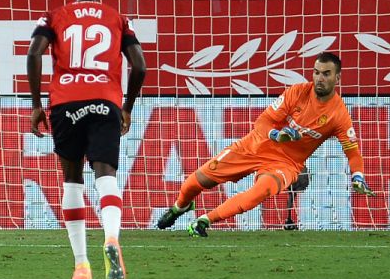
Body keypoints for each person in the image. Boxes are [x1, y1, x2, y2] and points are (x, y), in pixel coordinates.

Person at [157, 52, 375, 237]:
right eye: (316, 72)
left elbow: (352, 152)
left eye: (326, 74)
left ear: (337, 77)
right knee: (194, 183)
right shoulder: (297, 92)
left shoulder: (339, 115)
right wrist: (277, 135)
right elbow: (262, 122)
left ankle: (204, 221)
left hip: (286, 164)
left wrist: (358, 176)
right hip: (255, 145)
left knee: (260, 191)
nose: (319, 78)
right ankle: (180, 207)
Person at [27, 0, 147, 279]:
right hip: (105, 101)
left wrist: (36, 105)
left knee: (72, 180)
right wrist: (126, 107)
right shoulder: (118, 18)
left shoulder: (55, 16)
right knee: (105, 175)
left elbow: (34, 53)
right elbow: (139, 65)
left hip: (66, 102)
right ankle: (111, 237)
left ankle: (81, 264)